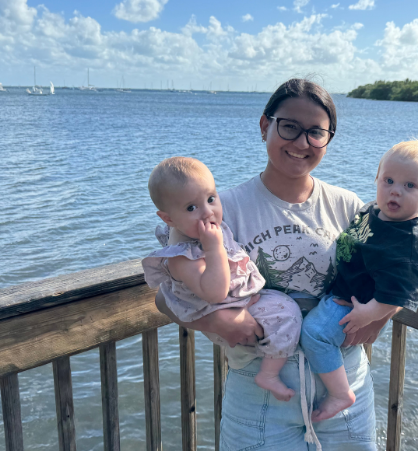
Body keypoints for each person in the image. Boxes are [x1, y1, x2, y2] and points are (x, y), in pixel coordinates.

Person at [155, 78, 391, 451]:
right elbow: (165, 296)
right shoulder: (218, 209)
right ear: (265, 125)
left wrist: (383, 315)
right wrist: (213, 321)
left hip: (345, 385)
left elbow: (401, 265)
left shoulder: (348, 206)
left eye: (316, 132)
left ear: (329, 138)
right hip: (257, 390)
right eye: (289, 127)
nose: (302, 142)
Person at [301, 140, 418, 421]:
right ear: (377, 179)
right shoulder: (370, 212)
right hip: (340, 292)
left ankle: (340, 393)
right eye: (388, 180)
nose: (395, 190)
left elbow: (401, 291)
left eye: (410, 185)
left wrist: (370, 315)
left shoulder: (411, 242)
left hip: (354, 306)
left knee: (315, 334)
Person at [142, 157, 302, 401]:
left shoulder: (201, 230)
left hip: (236, 303)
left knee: (285, 309)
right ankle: (268, 374)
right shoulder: (183, 255)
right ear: (169, 219)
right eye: (191, 208)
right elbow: (215, 293)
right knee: (288, 313)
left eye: (211, 199)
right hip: (222, 307)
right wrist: (214, 248)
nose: (207, 212)